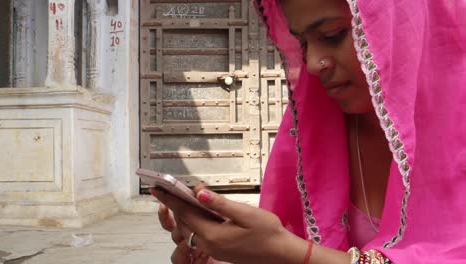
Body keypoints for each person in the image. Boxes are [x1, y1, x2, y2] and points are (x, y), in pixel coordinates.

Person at [151, 0, 466, 263]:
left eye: (332, 35)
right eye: (302, 43)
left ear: (406, 23)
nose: (314, 63)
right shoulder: (316, 124)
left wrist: (291, 252)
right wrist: (230, 250)